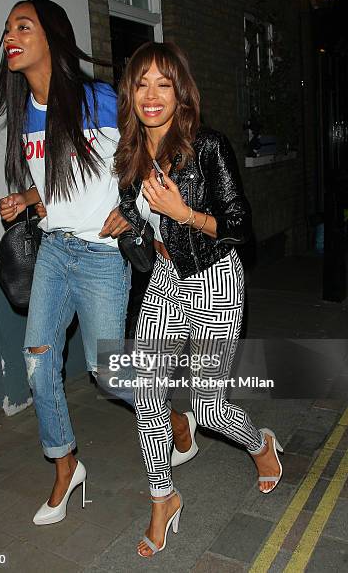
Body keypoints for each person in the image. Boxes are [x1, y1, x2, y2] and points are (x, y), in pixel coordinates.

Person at [0, 0, 194, 526]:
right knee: (38, 363)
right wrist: (29, 200)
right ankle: (65, 465)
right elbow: (63, 178)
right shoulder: (27, 113)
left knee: (106, 373)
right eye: (8, 29)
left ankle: (171, 409)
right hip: (56, 251)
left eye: (23, 26)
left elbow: (151, 156)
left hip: (103, 258)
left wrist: (136, 211)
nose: (11, 36)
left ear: (52, 39)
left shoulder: (101, 100)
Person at [115, 42, 284, 558]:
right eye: (142, 82)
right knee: (147, 392)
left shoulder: (207, 146)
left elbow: (239, 223)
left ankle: (262, 446)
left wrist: (183, 212)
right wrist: (128, 226)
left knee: (209, 410)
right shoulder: (130, 151)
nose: (151, 94)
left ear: (180, 92)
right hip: (166, 278)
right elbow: (133, 212)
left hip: (216, 279)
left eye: (163, 83)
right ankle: (163, 498)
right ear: (131, 92)